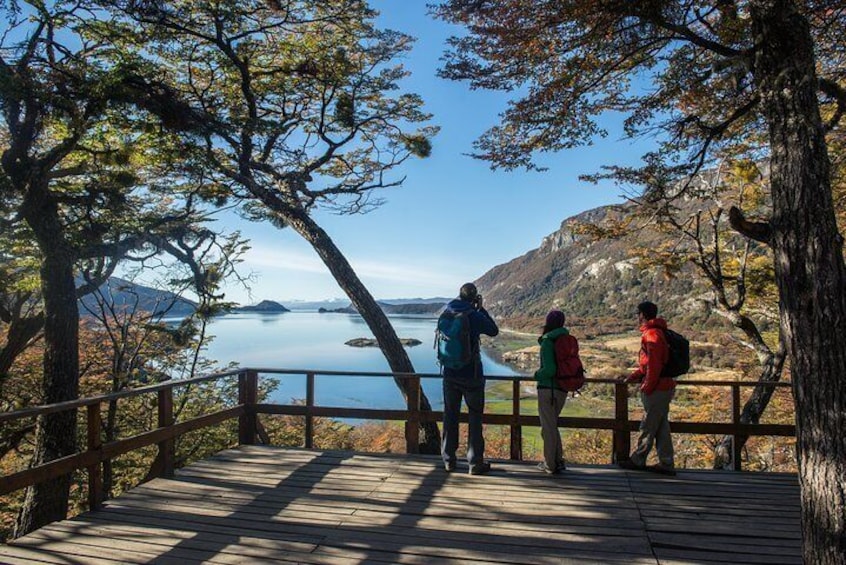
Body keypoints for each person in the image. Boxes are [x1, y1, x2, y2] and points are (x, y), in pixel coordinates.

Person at [440, 282, 499, 475]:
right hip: (471, 374)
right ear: (474, 298)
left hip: (449, 372)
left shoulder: (446, 312)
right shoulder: (473, 315)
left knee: (450, 415)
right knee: (475, 417)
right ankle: (474, 463)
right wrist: (481, 308)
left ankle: (448, 460)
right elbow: (493, 330)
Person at [618, 301, 677, 475]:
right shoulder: (658, 332)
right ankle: (666, 463)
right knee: (661, 425)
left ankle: (638, 459)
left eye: (638, 314)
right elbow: (648, 364)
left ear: (642, 314)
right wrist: (635, 376)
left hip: (657, 388)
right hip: (664, 386)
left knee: (648, 424)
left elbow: (654, 364)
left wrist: (647, 387)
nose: (637, 317)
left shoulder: (652, 334)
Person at [533, 309, 570, 474]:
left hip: (548, 389)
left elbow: (549, 369)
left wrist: (536, 375)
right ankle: (558, 460)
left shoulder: (548, 342)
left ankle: (550, 464)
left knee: (547, 428)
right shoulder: (565, 339)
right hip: (562, 389)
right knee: (552, 426)